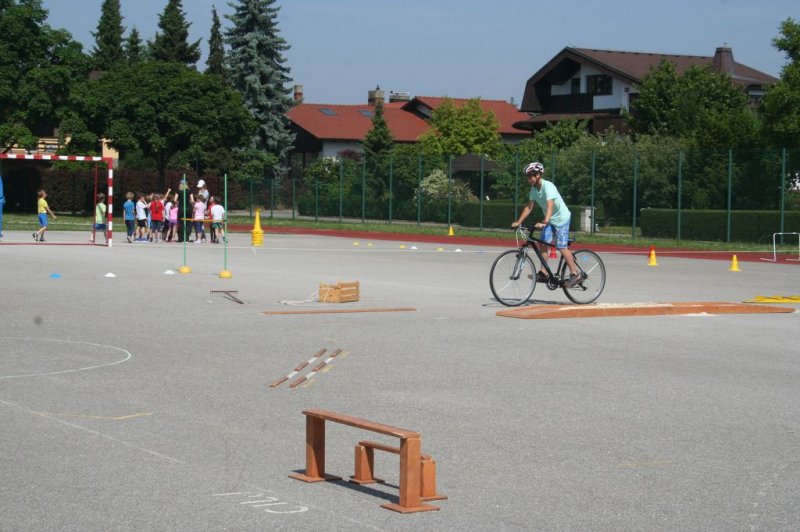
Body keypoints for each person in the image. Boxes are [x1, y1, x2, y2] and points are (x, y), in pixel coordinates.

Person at [511, 161, 581, 287]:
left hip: (561, 219)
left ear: (538, 175)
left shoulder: (548, 186)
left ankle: (575, 274)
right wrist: (518, 222)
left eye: (531, 177)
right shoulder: (533, 189)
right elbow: (529, 207)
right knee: (542, 243)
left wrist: (545, 222)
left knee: (561, 246)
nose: (529, 180)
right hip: (550, 220)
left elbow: (550, 206)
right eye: (528, 177)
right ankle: (543, 273)